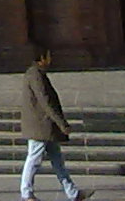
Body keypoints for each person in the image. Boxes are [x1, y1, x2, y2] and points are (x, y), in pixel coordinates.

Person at [19, 49, 91, 201]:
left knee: (57, 161)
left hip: (46, 127)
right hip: (40, 127)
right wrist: (62, 124)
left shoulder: (36, 74)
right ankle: (26, 193)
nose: (50, 59)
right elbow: (46, 102)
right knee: (34, 158)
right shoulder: (35, 75)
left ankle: (73, 193)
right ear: (42, 58)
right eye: (48, 56)